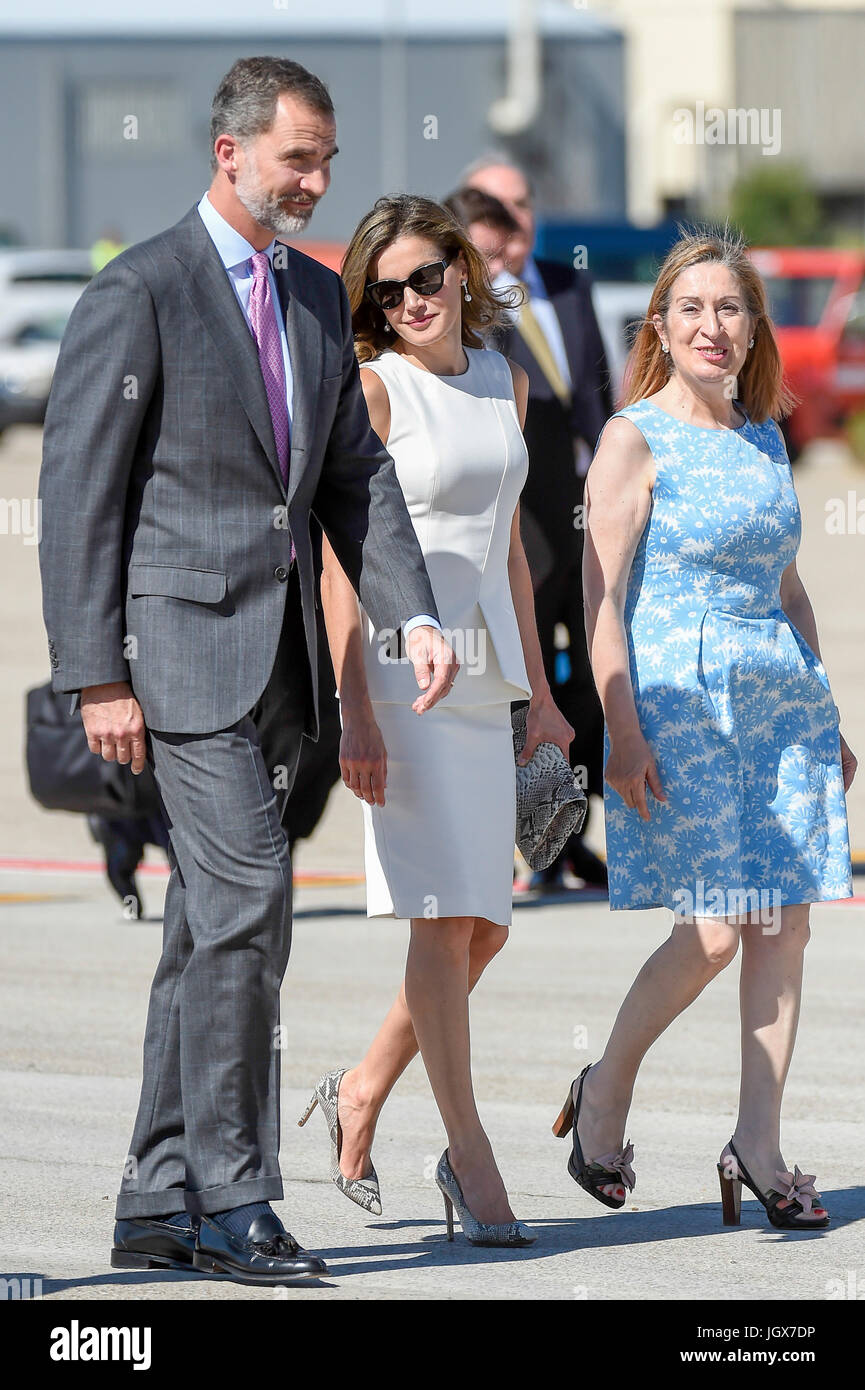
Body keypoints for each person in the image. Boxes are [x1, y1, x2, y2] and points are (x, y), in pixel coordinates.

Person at [38, 56, 457, 1287]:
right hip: (172, 657)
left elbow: (353, 478)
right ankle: (236, 1197)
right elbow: (78, 497)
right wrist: (93, 675)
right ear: (229, 152)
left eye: (327, 160)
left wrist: (411, 616)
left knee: (204, 928)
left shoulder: (318, 302)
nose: (318, 182)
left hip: (277, 670)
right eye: (297, 159)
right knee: (250, 906)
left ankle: (155, 1199)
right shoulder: (141, 291)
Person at [554, 226, 856, 1229]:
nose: (711, 326)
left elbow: (789, 591)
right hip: (677, 701)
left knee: (786, 921)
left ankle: (757, 1145)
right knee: (718, 928)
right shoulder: (634, 435)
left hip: (778, 703)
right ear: (662, 326)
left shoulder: (766, 434)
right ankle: (606, 1087)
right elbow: (600, 598)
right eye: (691, 309)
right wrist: (619, 730)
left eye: (729, 308)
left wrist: (825, 713)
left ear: (752, 327)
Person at [299, 193, 573, 1246]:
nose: (409, 298)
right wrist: (352, 710)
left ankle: (362, 1086)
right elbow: (337, 558)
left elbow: (507, 546)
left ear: (461, 270)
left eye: (425, 276)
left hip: (486, 673)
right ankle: (472, 1159)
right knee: (439, 915)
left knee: (486, 924)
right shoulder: (373, 389)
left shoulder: (499, 379)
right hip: (397, 682)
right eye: (387, 286)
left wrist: (541, 693)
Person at [460, 155, 613, 889]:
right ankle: (528, 841)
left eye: (521, 204)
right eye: (497, 207)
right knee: (523, 691)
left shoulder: (566, 283)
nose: (514, 219)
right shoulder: (461, 300)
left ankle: (567, 836)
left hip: (583, 516)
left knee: (587, 682)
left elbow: (598, 395)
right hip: (518, 527)